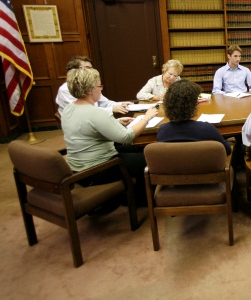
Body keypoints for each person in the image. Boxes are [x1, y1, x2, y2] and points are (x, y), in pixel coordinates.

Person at [61, 68, 159, 206]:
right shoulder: (94, 112)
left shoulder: (69, 108)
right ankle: (140, 200)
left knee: (141, 149)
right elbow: (126, 137)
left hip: (78, 166)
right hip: (97, 169)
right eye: (99, 86)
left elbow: (86, 129)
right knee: (149, 158)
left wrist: (117, 122)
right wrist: (146, 118)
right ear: (89, 90)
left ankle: (135, 193)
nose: (101, 90)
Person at [157, 79, 231, 155]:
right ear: (194, 105)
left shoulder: (163, 130)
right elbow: (227, 150)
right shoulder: (206, 128)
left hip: (175, 166)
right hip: (205, 166)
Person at [55, 55, 131, 116]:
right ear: (74, 71)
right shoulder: (65, 89)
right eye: (88, 68)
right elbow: (84, 112)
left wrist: (121, 104)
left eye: (91, 68)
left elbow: (104, 102)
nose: (92, 71)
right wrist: (112, 109)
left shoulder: (91, 85)